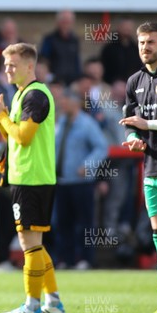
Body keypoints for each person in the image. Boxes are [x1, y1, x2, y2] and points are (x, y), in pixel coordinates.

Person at [0, 42, 65, 313]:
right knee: (35, 243)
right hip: (25, 177)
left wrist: (0, 116)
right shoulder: (20, 95)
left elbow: (23, 137)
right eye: (6, 64)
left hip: (33, 178)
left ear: (30, 66)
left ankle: (31, 305)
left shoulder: (36, 96)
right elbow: (13, 136)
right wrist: (0, 118)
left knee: (29, 243)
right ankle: (52, 301)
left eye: (13, 64)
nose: (7, 69)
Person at [119, 21, 157, 313]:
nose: (145, 48)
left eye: (151, 42)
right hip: (151, 169)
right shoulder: (134, 81)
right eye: (141, 43)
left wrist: (146, 126)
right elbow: (130, 124)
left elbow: (143, 123)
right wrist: (134, 139)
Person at [52, 89, 108, 269]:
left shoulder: (87, 124)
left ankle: (85, 259)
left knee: (84, 223)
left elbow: (101, 147)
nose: (62, 104)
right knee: (63, 223)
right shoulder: (60, 122)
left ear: (76, 103)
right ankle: (65, 259)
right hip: (62, 181)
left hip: (81, 182)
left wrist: (88, 165)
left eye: (65, 100)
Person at [40, 10, 81, 85]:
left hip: (72, 83)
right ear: (58, 22)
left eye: (68, 22)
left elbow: (76, 62)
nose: (66, 25)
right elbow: (43, 60)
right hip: (54, 83)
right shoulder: (49, 39)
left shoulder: (75, 40)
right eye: (64, 22)